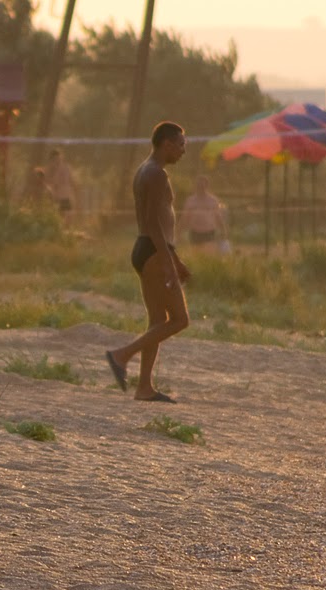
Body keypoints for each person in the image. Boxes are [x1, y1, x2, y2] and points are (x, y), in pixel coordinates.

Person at [103, 121, 190, 402]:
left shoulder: (146, 170)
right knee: (179, 320)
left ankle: (144, 387)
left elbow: (156, 223)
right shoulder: (155, 174)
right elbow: (154, 223)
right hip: (153, 251)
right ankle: (121, 355)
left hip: (147, 249)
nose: (183, 151)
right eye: (180, 145)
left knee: (157, 320)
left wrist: (171, 258)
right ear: (166, 144)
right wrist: (169, 262)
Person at [181, 175, 227, 249]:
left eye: (202, 185)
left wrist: (223, 230)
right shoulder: (190, 201)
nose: (200, 187)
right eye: (199, 185)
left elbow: (218, 217)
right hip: (194, 232)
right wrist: (179, 231)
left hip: (209, 232)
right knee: (195, 253)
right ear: (196, 186)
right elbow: (185, 218)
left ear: (206, 186)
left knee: (207, 253)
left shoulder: (213, 201)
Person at [45, 148, 77, 224]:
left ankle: (66, 231)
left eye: (59, 158)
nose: (58, 160)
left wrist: (74, 193)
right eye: (55, 159)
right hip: (56, 196)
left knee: (68, 216)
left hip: (66, 195)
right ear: (52, 160)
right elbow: (48, 182)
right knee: (59, 217)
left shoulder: (66, 168)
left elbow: (71, 180)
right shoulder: (50, 169)